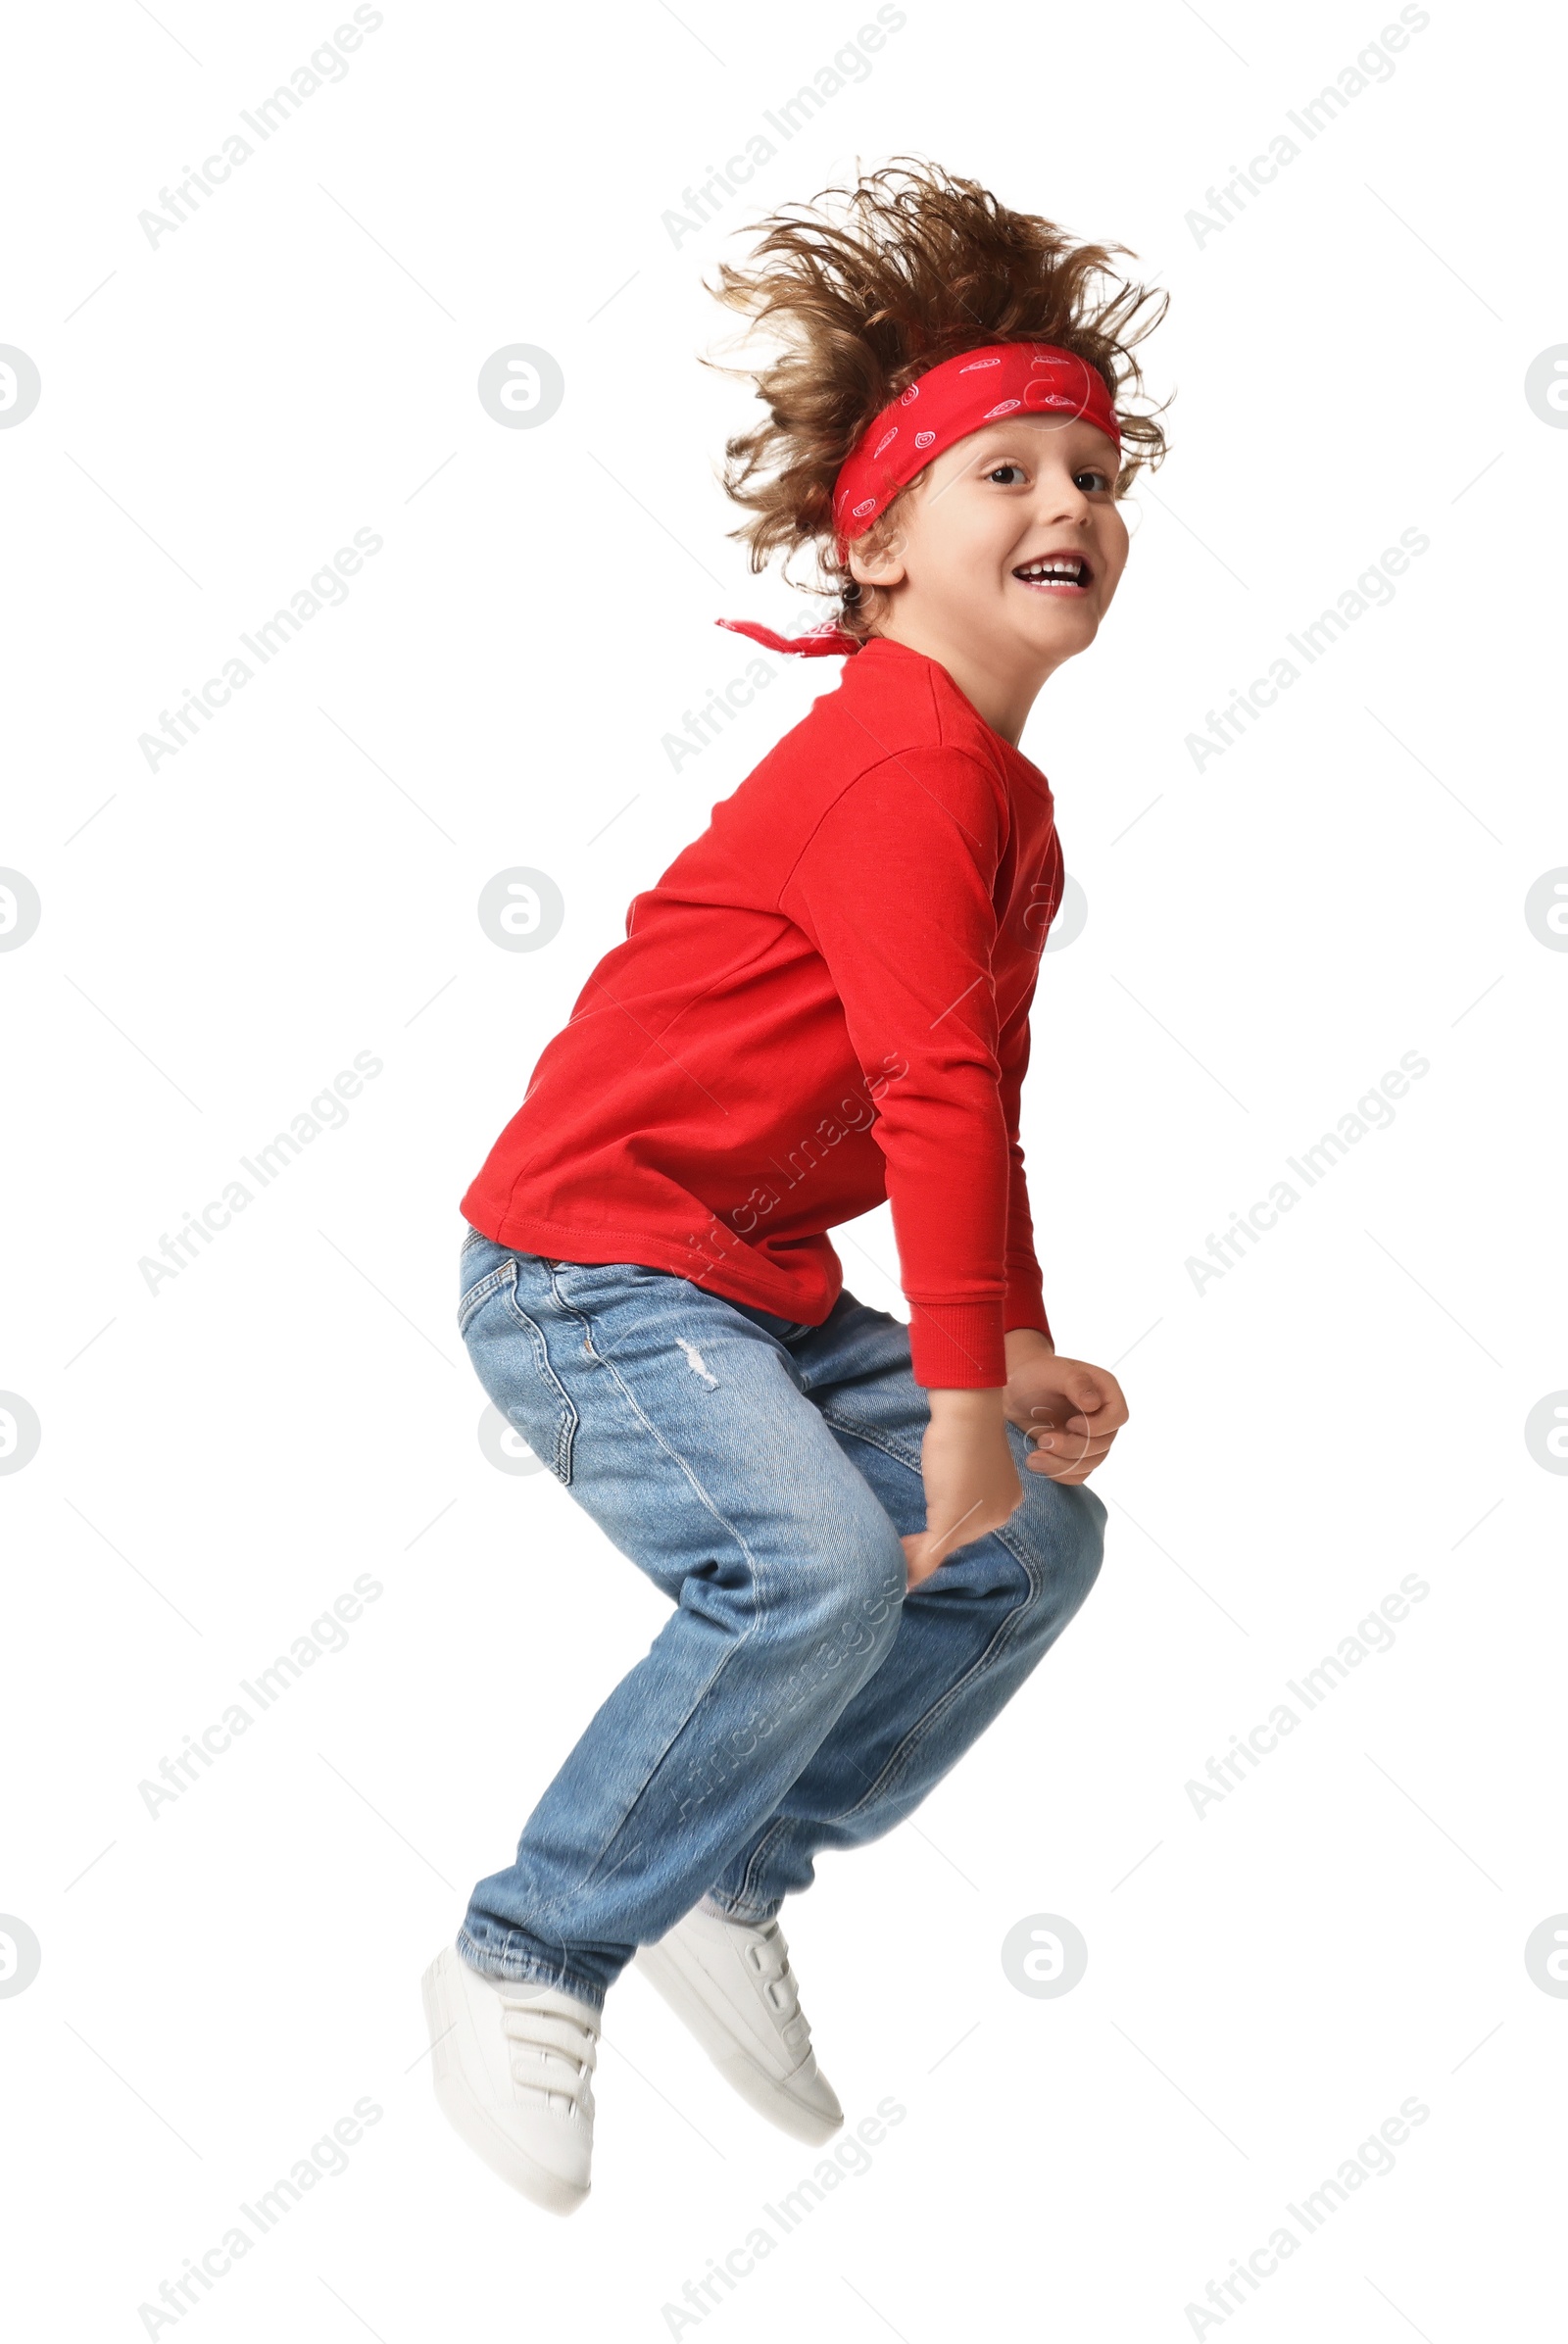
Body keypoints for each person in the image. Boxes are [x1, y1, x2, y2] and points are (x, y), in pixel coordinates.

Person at [423, 158, 1169, 2214]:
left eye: (1092, 475)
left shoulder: (984, 778)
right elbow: (929, 1094)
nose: (1067, 509)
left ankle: (719, 1861)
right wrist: (944, 1412)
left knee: (1027, 1550)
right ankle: (531, 1938)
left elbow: (972, 1092)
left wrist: (1004, 1357)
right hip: (585, 1264)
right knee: (830, 1569)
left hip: (730, 1275)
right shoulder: (901, 754)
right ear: (873, 538)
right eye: (1003, 470)